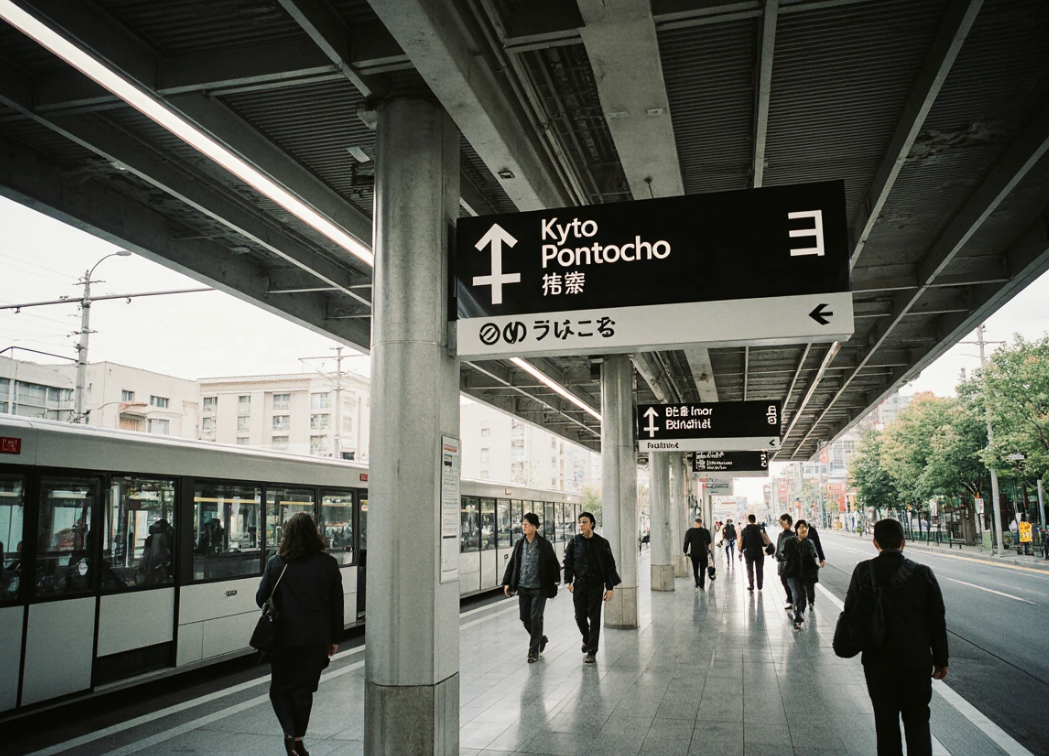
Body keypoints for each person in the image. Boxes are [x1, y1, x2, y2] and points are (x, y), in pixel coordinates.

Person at [845, 519, 948, 756]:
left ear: (875, 543)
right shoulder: (923, 573)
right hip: (916, 660)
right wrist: (941, 659)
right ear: (903, 542)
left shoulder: (863, 571)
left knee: (885, 721)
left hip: (878, 661)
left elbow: (850, 613)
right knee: (918, 720)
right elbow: (937, 620)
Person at [256, 513, 343, 756]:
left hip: (284, 639)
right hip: (317, 639)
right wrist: (335, 638)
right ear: (314, 534)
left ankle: (289, 734)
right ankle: (299, 741)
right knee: (304, 691)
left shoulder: (277, 563)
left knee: (279, 689)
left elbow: (261, 598)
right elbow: (337, 604)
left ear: (287, 534)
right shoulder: (328, 564)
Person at [562, 511, 620, 664]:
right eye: (580, 522)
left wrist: (610, 587)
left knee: (594, 618)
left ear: (592, 524)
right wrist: (568, 581)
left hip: (596, 585)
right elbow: (567, 562)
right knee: (579, 616)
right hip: (580, 584)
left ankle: (591, 651)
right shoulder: (574, 542)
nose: (581, 525)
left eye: (584, 522)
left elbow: (609, 566)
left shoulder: (602, 543)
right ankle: (587, 639)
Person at [502, 512, 560, 663]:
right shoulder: (520, 544)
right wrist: (507, 582)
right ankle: (539, 639)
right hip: (523, 586)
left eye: (527, 524)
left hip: (539, 588)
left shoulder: (544, 545)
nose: (524, 526)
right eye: (523, 524)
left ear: (535, 527)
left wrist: (555, 582)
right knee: (524, 618)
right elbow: (513, 564)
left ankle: (533, 651)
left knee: (536, 617)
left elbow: (554, 564)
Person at [782, 519, 819, 629]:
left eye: (805, 527)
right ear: (796, 529)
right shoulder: (789, 542)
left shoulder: (809, 543)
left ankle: (799, 614)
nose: (803, 529)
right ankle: (797, 615)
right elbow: (783, 554)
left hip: (805, 573)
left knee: (802, 594)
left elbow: (814, 556)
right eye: (801, 527)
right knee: (796, 593)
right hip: (792, 572)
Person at [738, 514, 769, 591]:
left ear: (748, 520)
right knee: (759, 569)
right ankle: (759, 585)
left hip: (748, 553)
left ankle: (751, 585)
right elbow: (764, 543)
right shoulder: (760, 529)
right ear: (755, 520)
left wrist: (740, 552)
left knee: (749, 569)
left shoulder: (744, 530)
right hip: (759, 552)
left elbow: (742, 542)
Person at [682, 517, 713, 589]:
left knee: (695, 568)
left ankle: (697, 583)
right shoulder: (705, 531)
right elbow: (709, 542)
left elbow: (686, 542)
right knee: (702, 569)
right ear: (701, 523)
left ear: (695, 523)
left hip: (694, 553)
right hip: (703, 553)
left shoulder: (690, 531)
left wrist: (685, 551)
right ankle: (702, 584)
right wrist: (709, 551)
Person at [775, 513, 795, 613]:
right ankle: (790, 599)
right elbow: (778, 548)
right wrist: (777, 556)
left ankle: (793, 601)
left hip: (791, 563)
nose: (782, 524)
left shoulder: (794, 535)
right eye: (781, 522)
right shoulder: (781, 535)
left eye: (784, 522)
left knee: (792, 583)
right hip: (782, 563)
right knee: (784, 581)